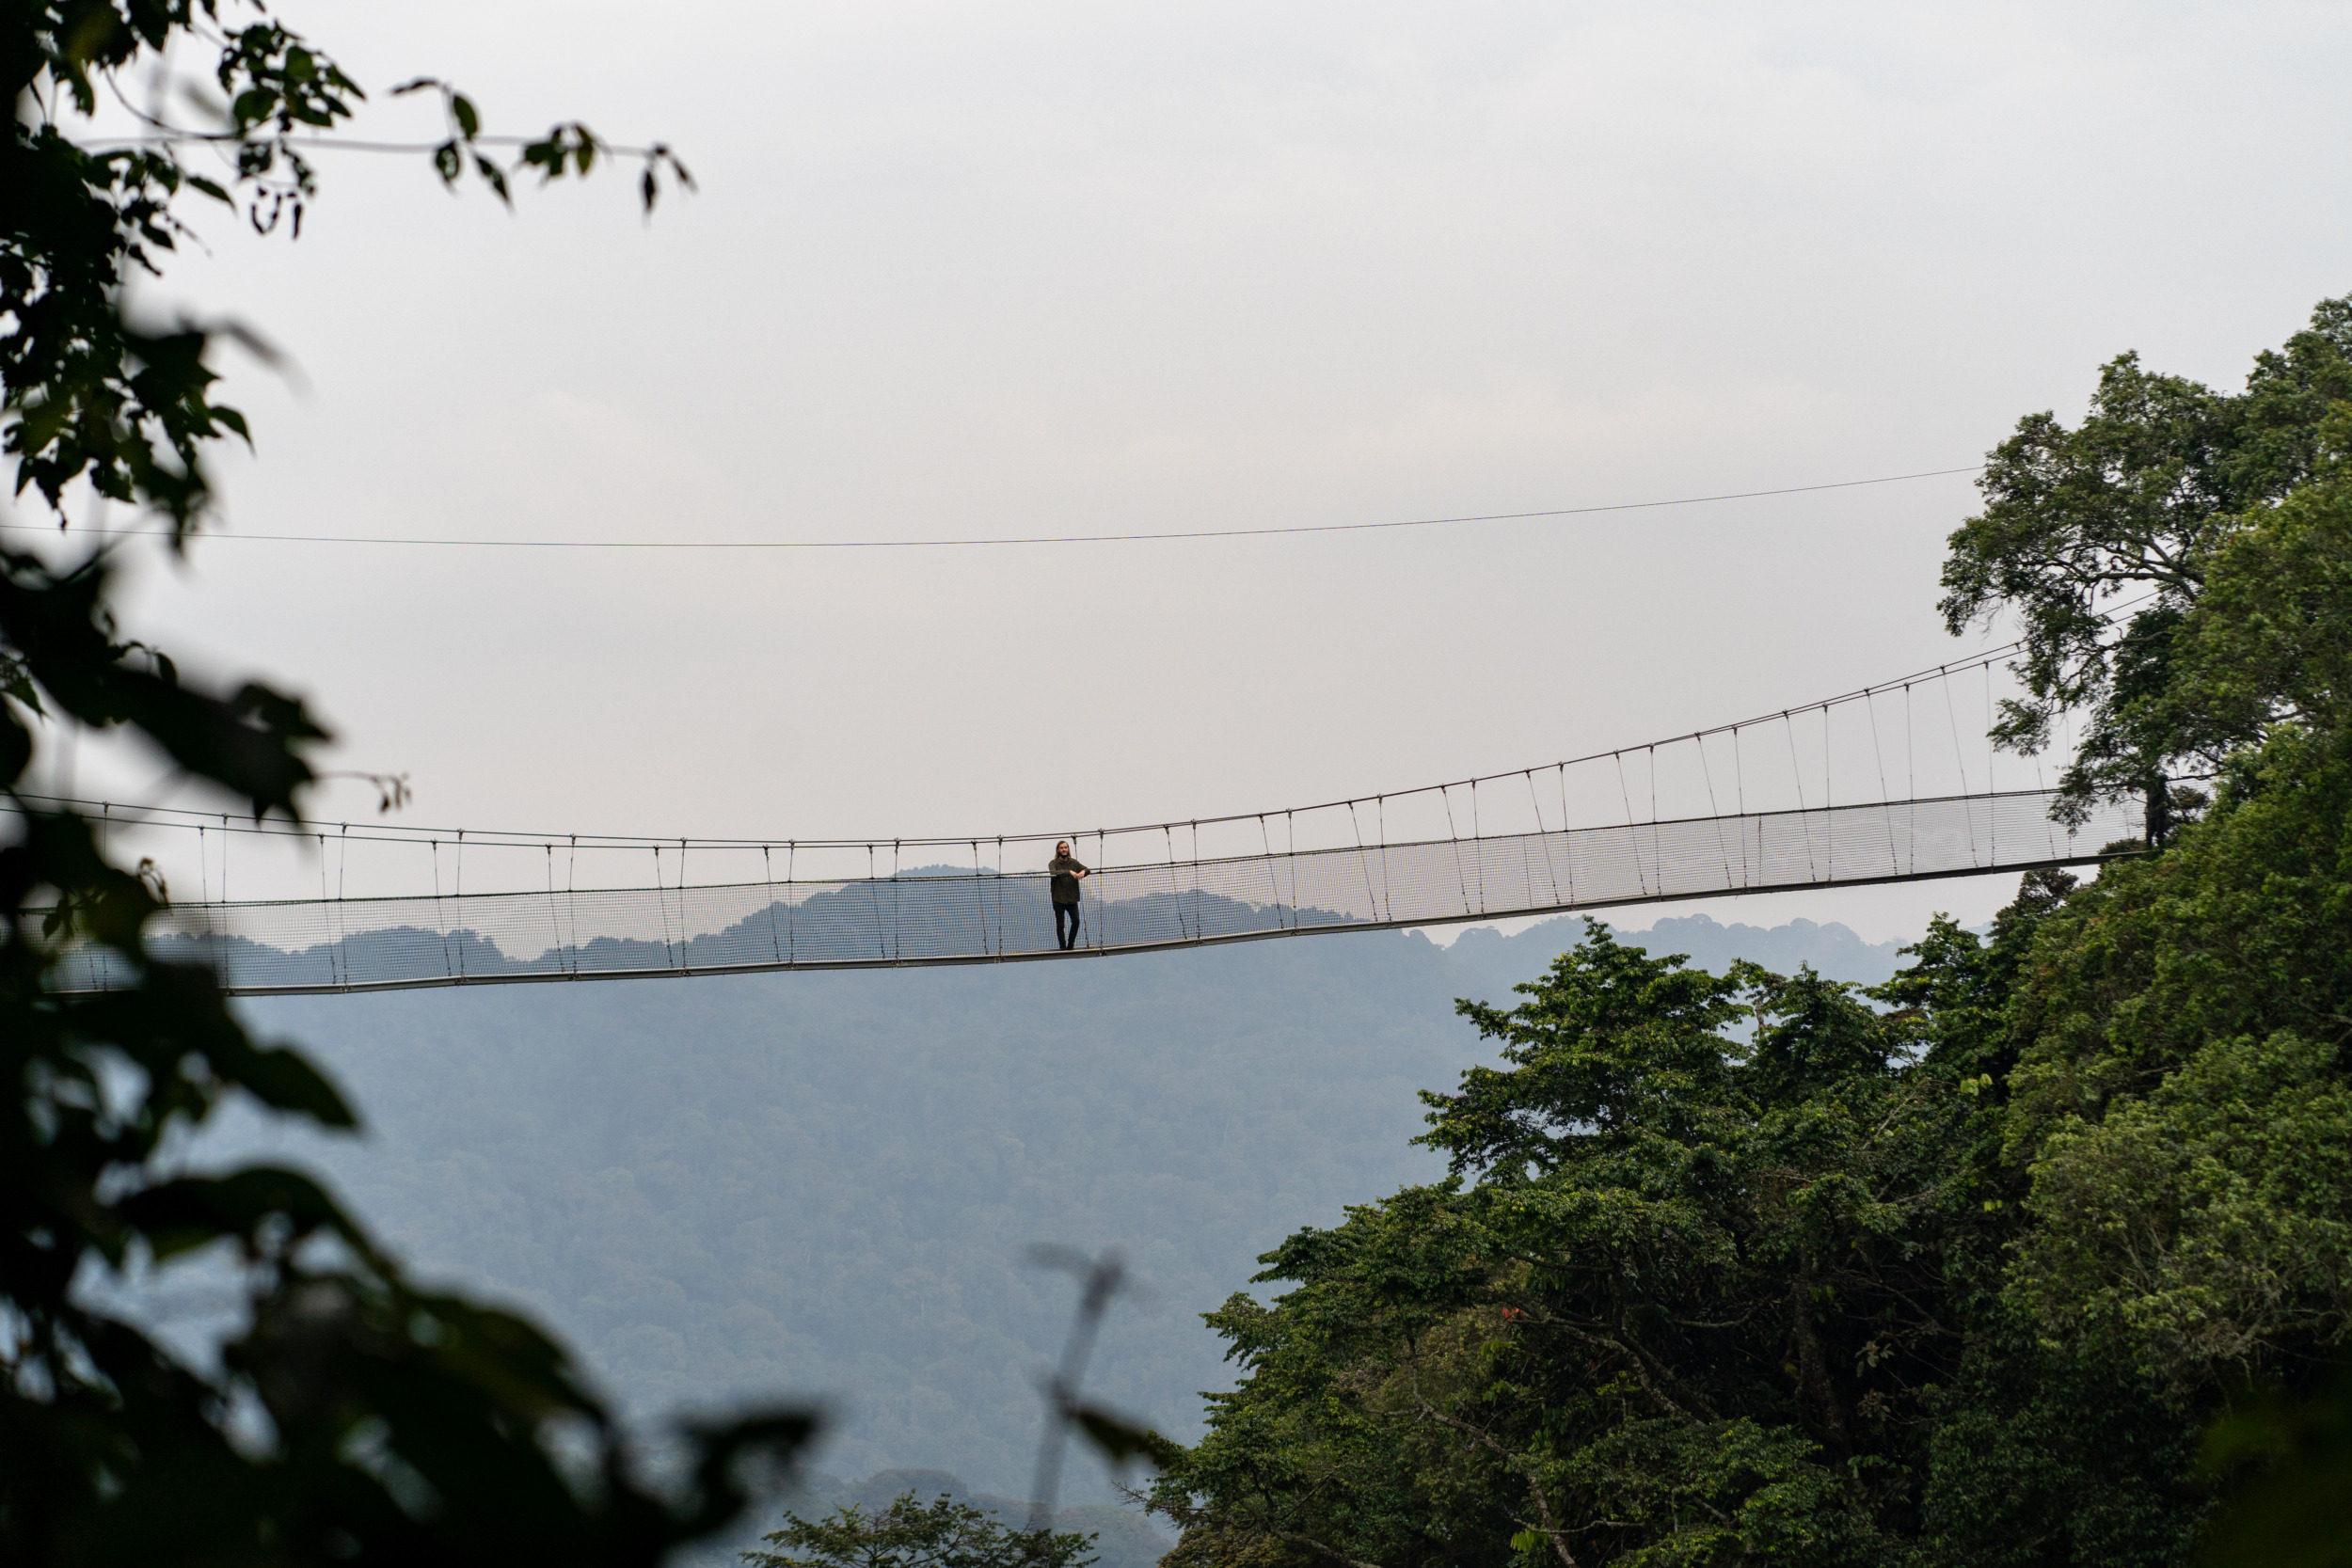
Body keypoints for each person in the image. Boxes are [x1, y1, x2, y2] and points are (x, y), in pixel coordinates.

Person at [1047, 840, 1090, 951]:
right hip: (1058, 899)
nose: (1064, 850)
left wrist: (1082, 873)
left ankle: (1070, 945)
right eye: (1061, 848)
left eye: (1065, 847)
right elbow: (1053, 873)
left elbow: (1087, 869)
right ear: (1058, 850)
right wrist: (1069, 872)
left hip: (1072, 899)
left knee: (1076, 921)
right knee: (1060, 925)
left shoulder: (1074, 863)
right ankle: (1062, 947)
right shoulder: (1053, 863)